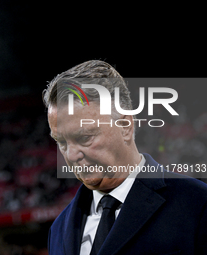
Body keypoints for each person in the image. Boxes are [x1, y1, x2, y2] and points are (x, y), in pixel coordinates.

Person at [42, 60, 207, 255]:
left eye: (85, 137)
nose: (71, 155)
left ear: (125, 126)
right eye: (62, 142)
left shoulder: (196, 203)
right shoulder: (59, 229)